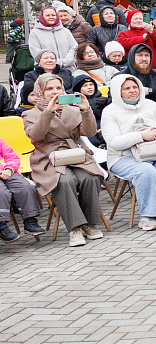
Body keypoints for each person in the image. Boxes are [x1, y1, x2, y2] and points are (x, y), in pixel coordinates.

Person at [23, 73, 105, 247]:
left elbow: (90, 132)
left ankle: (90, 224)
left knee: (91, 177)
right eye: (49, 89)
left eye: (58, 88)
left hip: (74, 153)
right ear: (40, 91)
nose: (55, 92)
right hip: (48, 157)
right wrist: (48, 113)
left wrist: (86, 110)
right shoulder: (30, 114)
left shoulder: (72, 108)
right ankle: (75, 228)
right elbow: (36, 135)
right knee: (64, 180)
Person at [101, 73, 156, 231]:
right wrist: (141, 136)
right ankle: (147, 216)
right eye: (127, 88)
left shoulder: (150, 105)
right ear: (118, 91)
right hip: (123, 157)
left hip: (154, 153)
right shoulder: (110, 111)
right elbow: (114, 142)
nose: (132, 91)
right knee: (146, 171)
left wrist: (155, 131)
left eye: (135, 87)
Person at [0, 133, 44, 240]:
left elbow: (12, 156)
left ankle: (30, 221)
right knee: (2, 192)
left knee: (25, 187)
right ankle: (1, 227)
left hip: (6, 171)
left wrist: (9, 169)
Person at [70, 75, 109, 141]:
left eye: (91, 84)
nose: (89, 87)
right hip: (85, 129)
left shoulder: (104, 100)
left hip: (103, 126)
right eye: (85, 86)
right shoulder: (74, 104)